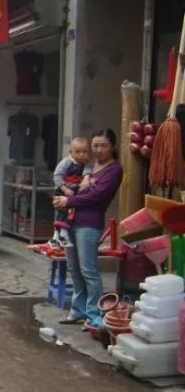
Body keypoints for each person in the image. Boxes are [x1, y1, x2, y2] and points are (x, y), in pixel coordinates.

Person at [53, 129, 122, 328]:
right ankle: (78, 310)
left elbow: (97, 197)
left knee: (89, 270)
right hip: (69, 222)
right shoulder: (86, 165)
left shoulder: (114, 169)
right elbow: (61, 179)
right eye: (95, 145)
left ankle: (94, 315)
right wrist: (59, 199)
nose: (98, 150)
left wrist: (68, 200)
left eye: (104, 146)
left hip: (89, 224)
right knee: (74, 269)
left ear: (113, 147)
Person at [49, 137, 91, 248]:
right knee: (62, 212)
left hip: (73, 194)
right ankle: (61, 234)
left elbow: (88, 171)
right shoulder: (66, 163)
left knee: (70, 214)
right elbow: (57, 176)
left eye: (85, 152)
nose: (81, 155)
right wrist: (64, 189)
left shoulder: (85, 164)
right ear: (70, 152)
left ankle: (58, 236)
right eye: (78, 152)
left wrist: (86, 178)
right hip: (62, 191)